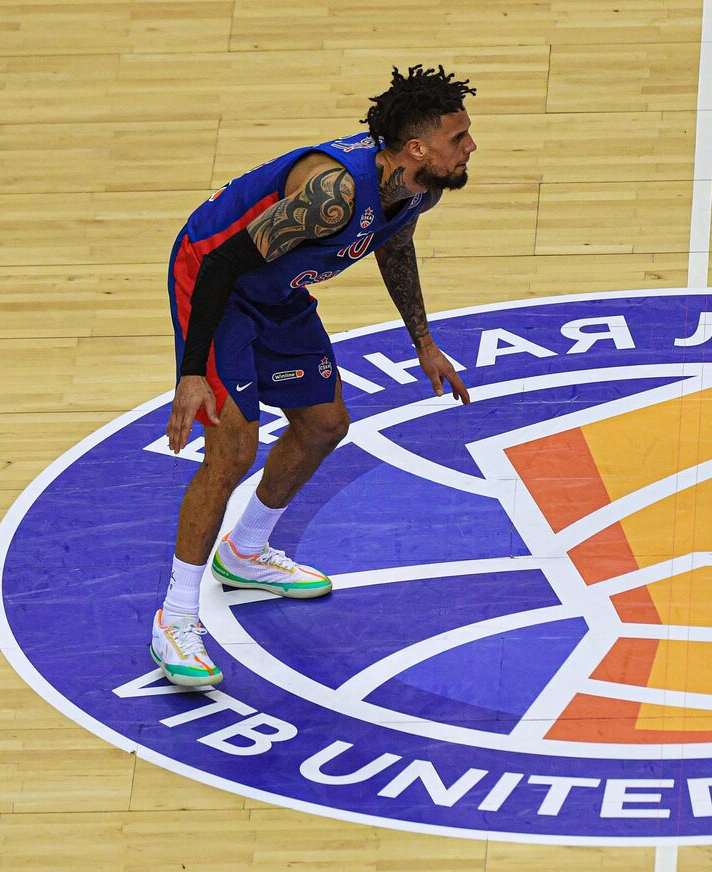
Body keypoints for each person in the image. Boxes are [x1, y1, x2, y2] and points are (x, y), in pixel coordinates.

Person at [151, 65, 476, 687]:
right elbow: (220, 264)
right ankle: (175, 617)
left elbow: (395, 247)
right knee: (230, 453)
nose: (470, 147)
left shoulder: (419, 187)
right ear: (417, 148)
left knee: (325, 425)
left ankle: (245, 552)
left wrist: (425, 343)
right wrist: (191, 374)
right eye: (458, 137)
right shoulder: (334, 195)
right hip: (215, 286)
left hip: (279, 288)